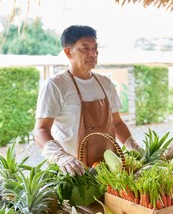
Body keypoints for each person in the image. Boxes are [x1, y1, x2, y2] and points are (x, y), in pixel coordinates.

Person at [34, 25, 140, 176]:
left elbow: (117, 123)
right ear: (68, 52)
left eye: (95, 48)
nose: (93, 54)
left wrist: (133, 145)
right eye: (85, 48)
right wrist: (60, 157)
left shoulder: (105, 83)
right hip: (74, 173)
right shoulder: (56, 85)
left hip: (108, 170)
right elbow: (40, 130)